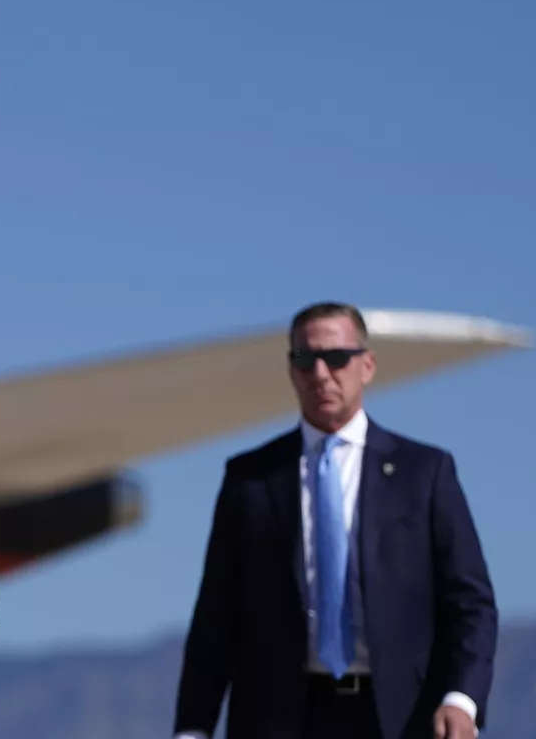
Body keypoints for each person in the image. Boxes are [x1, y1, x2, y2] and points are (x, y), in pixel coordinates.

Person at [172, 302, 498, 739]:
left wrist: (462, 699)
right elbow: (216, 617)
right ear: (291, 371)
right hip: (278, 720)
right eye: (305, 360)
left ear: (367, 365)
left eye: (337, 358)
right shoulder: (251, 479)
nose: (321, 373)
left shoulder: (424, 473)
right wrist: (193, 727)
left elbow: (471, 603)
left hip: (401, 718)